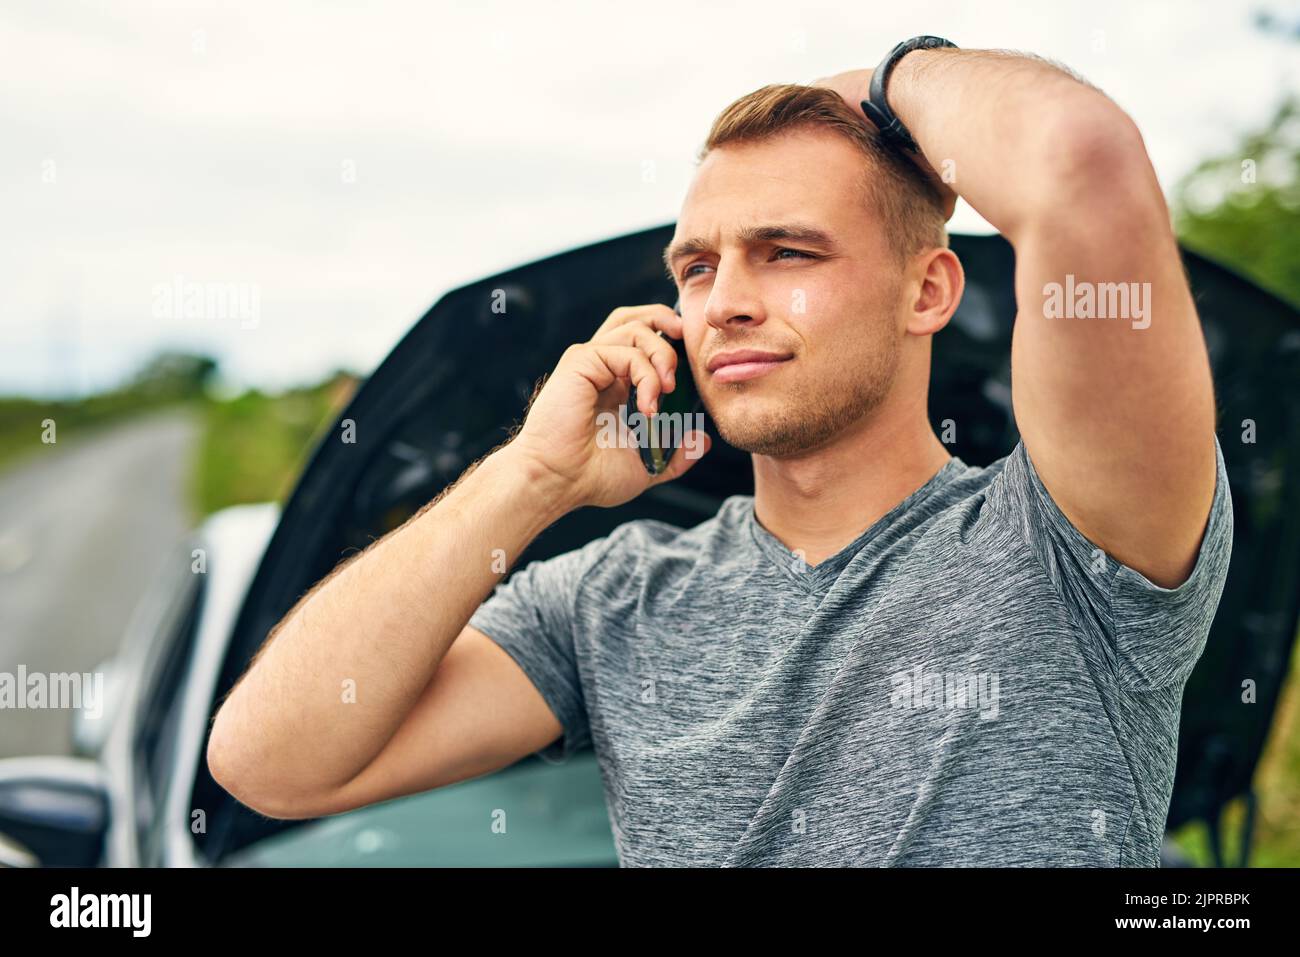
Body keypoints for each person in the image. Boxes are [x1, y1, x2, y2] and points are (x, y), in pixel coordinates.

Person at [208, 39, 1233, 866]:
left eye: (787, 252)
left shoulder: (1066, 547)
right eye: (697, 266)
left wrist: (873, 87)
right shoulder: (614, 598)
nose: (725, 300)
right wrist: (530, 477)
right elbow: (267, 763)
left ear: (927, 291)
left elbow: (1081, 163)